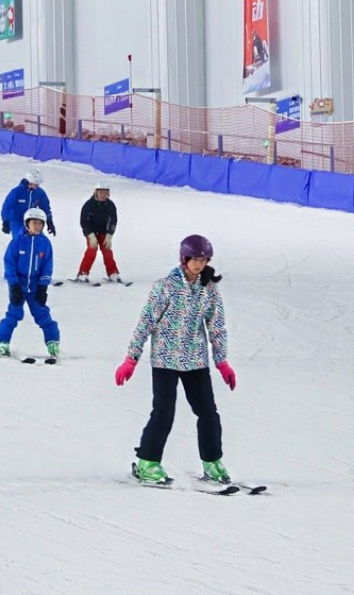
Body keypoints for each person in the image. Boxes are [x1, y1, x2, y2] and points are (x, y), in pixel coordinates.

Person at [115, 234, 235, 486]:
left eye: (204, 260)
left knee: (208, 413)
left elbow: (217, 326)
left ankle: (212, 461)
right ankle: (147, 462)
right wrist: (131, 359)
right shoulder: (166, 286)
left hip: (196, 361)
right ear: (184, 259)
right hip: (165, 360)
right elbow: (146, 322)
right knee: (163, 412)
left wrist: (222, 362)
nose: (200, 265)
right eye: (195, 259)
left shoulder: (209, 288)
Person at [0, 207, 59, 359]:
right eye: (34, 222)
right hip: (19, 286)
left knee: (42, 314)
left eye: (40, 223)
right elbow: (9, 263)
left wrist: (43, 286)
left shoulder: (45, 243)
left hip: (35, 287)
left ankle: (53, 341)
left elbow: (47, 266)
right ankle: (1, 342)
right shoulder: (17, 242)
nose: (37, 226)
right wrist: (14, 285)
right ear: (27, 223)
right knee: (14, 313)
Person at [76, 180, 121, 284]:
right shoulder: (88, 205)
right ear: (95, 192)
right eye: (100, 192)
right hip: (91, 232)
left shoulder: (110, 205)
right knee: (92, 250)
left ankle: (113, 273)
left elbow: (113, 221)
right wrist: (90, 235)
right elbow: (83, 222)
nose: (102, 195)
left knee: (107, 251)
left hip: (103, 232)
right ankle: (83, 273)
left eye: (105, 193)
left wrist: (109, 235)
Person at [0, 168, 54, 237]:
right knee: (20, 239)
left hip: (32, 221)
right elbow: (7, 207)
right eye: (36, 184)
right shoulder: (17, 192)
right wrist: (6, 221)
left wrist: (49, 222)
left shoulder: (39, 192)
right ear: (29, 182)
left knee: (39, 240)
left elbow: (45, 207)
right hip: (17, 220)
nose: (37, 186)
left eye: (38, 184)